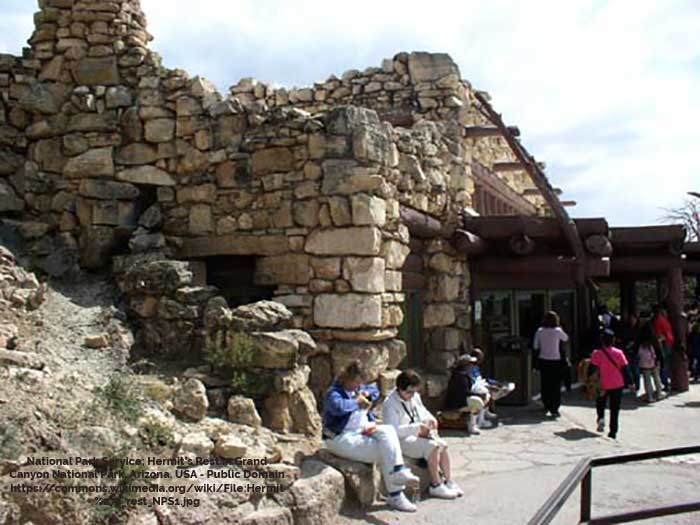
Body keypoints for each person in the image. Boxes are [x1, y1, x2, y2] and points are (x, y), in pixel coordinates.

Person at [322, 360, 420, 512]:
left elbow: (373, 391)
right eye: (356, 383)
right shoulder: (333, 393)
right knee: (387, 451)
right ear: (347, 378)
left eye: (360, 383)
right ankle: (396, 494)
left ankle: (399, 471)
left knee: (389, 431)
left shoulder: (359, 388)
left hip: (362, 430)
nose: (358, 387)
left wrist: (366, 394)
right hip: (340, 437)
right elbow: (339, 407)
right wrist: (357, 402)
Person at [383, 370, 463, 499]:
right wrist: (416, 428)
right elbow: (393, 430)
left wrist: (431, 420)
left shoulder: (415, 396)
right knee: (433, 446)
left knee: (443, 444)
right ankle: (436, 485)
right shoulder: (390, 403)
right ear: (399, 388)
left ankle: (448, 481)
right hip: (403, 440)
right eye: (409, 392)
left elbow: (423, 411)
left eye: (414, 392)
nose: (411, 395)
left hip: (418, 435)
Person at [589, 329, 637, 439]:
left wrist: (589, 381)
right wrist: (631, 383)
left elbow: (592, 369)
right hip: (617, 384)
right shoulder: (619, 353)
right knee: (614, 408)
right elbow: (626, 370)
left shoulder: (597, 353)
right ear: (613, 340)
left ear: (602, 341)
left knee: (600, 402)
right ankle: (613, 431)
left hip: (602, 384)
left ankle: (601, 418)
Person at [533, 311, 569, 417]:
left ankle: (546, 404)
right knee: (555, 384)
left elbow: (535, 346)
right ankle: (555, 407)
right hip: (555, 360)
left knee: (545, 383)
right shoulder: (557, 331)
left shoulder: (540, 331)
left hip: (543, 359)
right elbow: (566, 338)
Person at [469, 347, 515, 424]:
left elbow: (482, 379)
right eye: (480, 357)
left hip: (481, 383)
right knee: (487, 392)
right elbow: (474, 382)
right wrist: (488, 386)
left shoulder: (476, 367)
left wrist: (496, 383)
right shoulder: (470, 368)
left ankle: (486, 411)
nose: (481, 359)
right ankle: (481, 420)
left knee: (501, 387)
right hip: (475, 387)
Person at [443, 354, 486, 435]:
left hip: (460, 399)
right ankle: (472, 425)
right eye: (470, 364)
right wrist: (478, 395)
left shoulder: (463, 374)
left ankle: (479, 421)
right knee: (476, 401)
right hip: (456, 403)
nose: (472, 366)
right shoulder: (460, 376)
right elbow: (464, 392)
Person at [637, 323, 665, 403]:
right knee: (656, 377)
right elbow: (659, 351)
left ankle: (650, 396)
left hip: (644, 363)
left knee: (647, 380)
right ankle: (659, 394)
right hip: (654, 361)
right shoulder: (654, 338)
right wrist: (661, 361)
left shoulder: (640, 339)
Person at [652, 305, 675, 391]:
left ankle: (665, 383)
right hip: (669, 344)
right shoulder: (665, 320)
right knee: (666, 365)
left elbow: (659, 336)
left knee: (662, 365)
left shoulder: (658, 321)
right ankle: (667, 382)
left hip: (664, 345)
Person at [621, 312, 641, 389]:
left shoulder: (638, 329)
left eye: (634, 319)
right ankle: (628, 384)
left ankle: (637, 385)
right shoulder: (626, 329)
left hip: (635, 351)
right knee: (628, 369)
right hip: (627, 351)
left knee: (636, 370)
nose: (632, 320)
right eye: (631, 319)